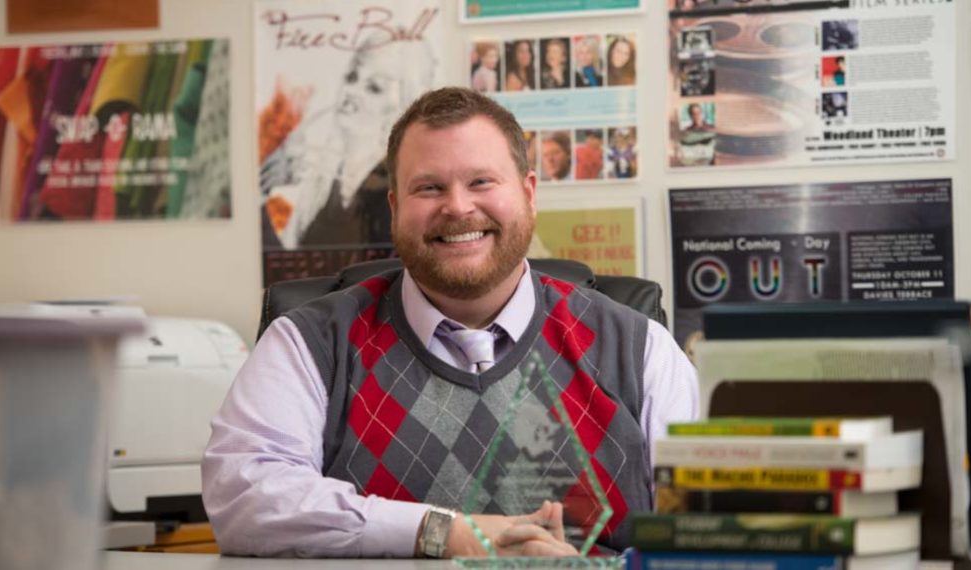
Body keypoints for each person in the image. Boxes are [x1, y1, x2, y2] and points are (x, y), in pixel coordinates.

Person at [203, 87, 698, 558]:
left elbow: (705, 533)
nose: (458, 207)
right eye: (429, 187)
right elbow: (244, 499)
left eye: (481, 181)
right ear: (395, 207)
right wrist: (444, 533)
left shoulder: (640, 350)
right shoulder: (309, 342)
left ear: (528, 193)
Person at [259, 32, 435, 270]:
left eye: (374, 87)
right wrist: (263, 193)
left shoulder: (401, 188)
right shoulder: (320, 181)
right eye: (352, 77)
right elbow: (289, 276)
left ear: (403, 105)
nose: (351, 91)